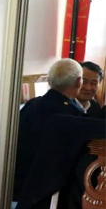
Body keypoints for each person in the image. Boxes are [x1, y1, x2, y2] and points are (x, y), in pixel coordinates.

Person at [14, 58, 85, 199]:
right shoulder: (73, 115)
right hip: (47, 191)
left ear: (49, 81)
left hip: (15, 183)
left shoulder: (32, 104)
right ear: (78, 82)